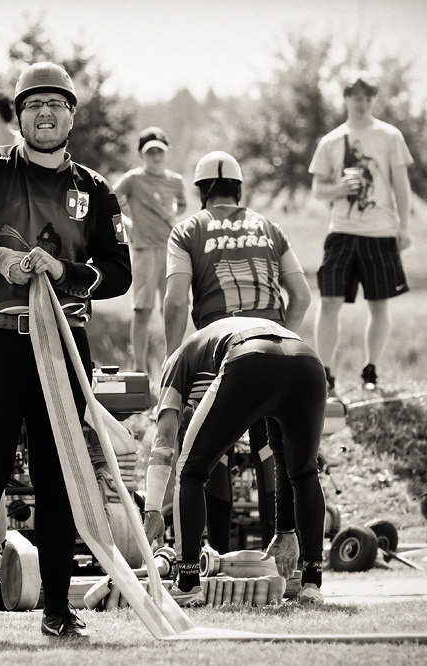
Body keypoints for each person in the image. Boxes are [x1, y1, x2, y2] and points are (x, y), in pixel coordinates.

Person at [0, 61, 131, 643]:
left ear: (71, 115)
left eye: (56, 104)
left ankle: (59, 611)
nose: (45, 113)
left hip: (63, 343)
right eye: (34, 104)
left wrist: (64, 271)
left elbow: (119, 273)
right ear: (19, 115)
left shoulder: (94, 188)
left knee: (61, 477)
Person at [162, 150, 312, 550]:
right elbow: (302, 295)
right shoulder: (270, 228)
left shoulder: (187, 230)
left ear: (201, 192)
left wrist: (173, 355)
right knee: (273, 456)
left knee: (213, 455)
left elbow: (176, 302)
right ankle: (276, 556)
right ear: (238, 188)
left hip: (221, 352)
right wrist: (278, 335)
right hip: (277, 346)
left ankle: (220, 557)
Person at [143, 317, 327, 606]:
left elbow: (165, 437)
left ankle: (188, 582)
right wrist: (285, 529)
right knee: (303, 471)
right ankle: (312, 584)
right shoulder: (210, 346)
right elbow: (281, 459)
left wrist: (152, 508)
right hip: (306, 359)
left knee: (190, 472)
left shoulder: (176, 362)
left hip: (248, 356)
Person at [309, 72, 413, 393]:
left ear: (373, 100)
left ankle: (371, 371)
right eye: (356, 96)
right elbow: (317, 190)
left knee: (379, 304)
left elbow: (401, 185)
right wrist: (338, 188)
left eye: (368, 96)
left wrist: (404, 227)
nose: (362, 101)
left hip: (381, 232)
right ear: (346, 99)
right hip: (342, 231)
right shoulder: (330, 141)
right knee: (329, 301)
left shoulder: (390, 136)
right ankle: (324, 373)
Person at [113, 127, 186, 374]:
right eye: (150, 152)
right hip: (144, 251)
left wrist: (173, 213)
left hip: (171, 250)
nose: (156, 156)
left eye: (160, 152)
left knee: (172, 309)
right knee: (142, 310)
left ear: (166, 153)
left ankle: (172, 366)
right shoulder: (133, 179)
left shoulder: (175, 181)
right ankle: (139, 369)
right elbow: (109, 201)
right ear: (142, 154)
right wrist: (127, 225)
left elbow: (183, 204)